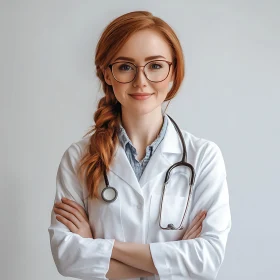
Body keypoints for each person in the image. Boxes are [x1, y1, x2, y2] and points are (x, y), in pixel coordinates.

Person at [48, 10, 231, 280]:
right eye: (125, 66)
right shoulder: (78, 158)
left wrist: (98, 248)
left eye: (155, 65)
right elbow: (67, 257)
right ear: (107, 75)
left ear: (173, 73)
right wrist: (175, 256)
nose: (141, 80)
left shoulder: (203, 157)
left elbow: (207, 261)